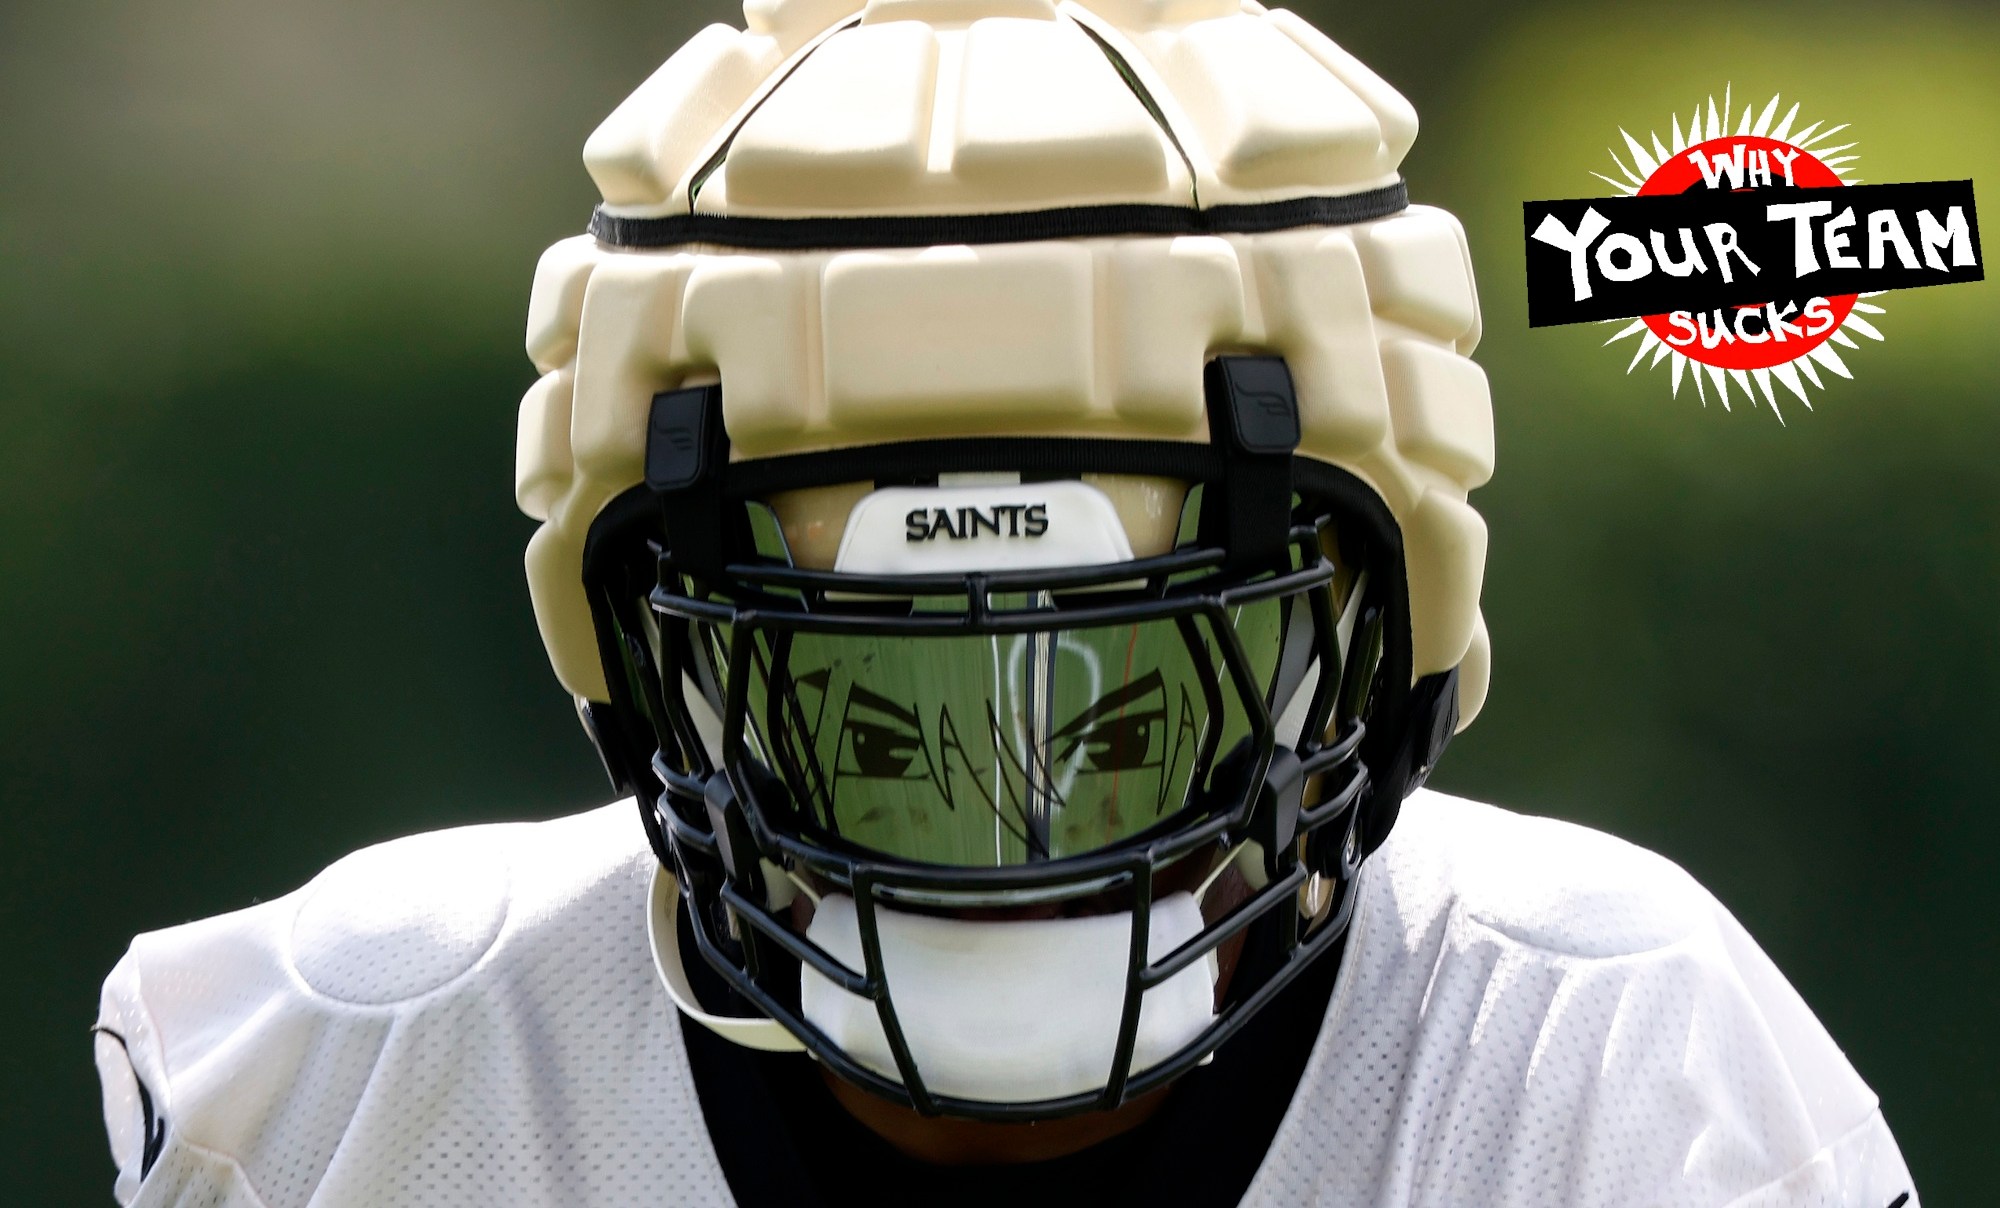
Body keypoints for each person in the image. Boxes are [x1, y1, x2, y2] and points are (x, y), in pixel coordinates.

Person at [92, 2, 1918, 1205]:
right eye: (886, 735)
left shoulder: (1605, 1067)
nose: (1012, 832)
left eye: (1124, 714)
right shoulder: (351, 1080)